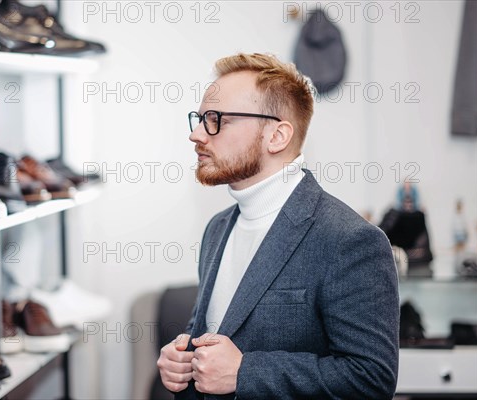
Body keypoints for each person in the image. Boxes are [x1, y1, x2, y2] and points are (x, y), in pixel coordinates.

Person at [156, 53, 399, 400]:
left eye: (216, 120)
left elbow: (371, 379)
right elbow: (211, 337)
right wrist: (182, 362)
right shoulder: (217, 228)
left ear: (277, 136)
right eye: (199, 119)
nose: (197, 134)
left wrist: (246, 372)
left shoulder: (350, 240)